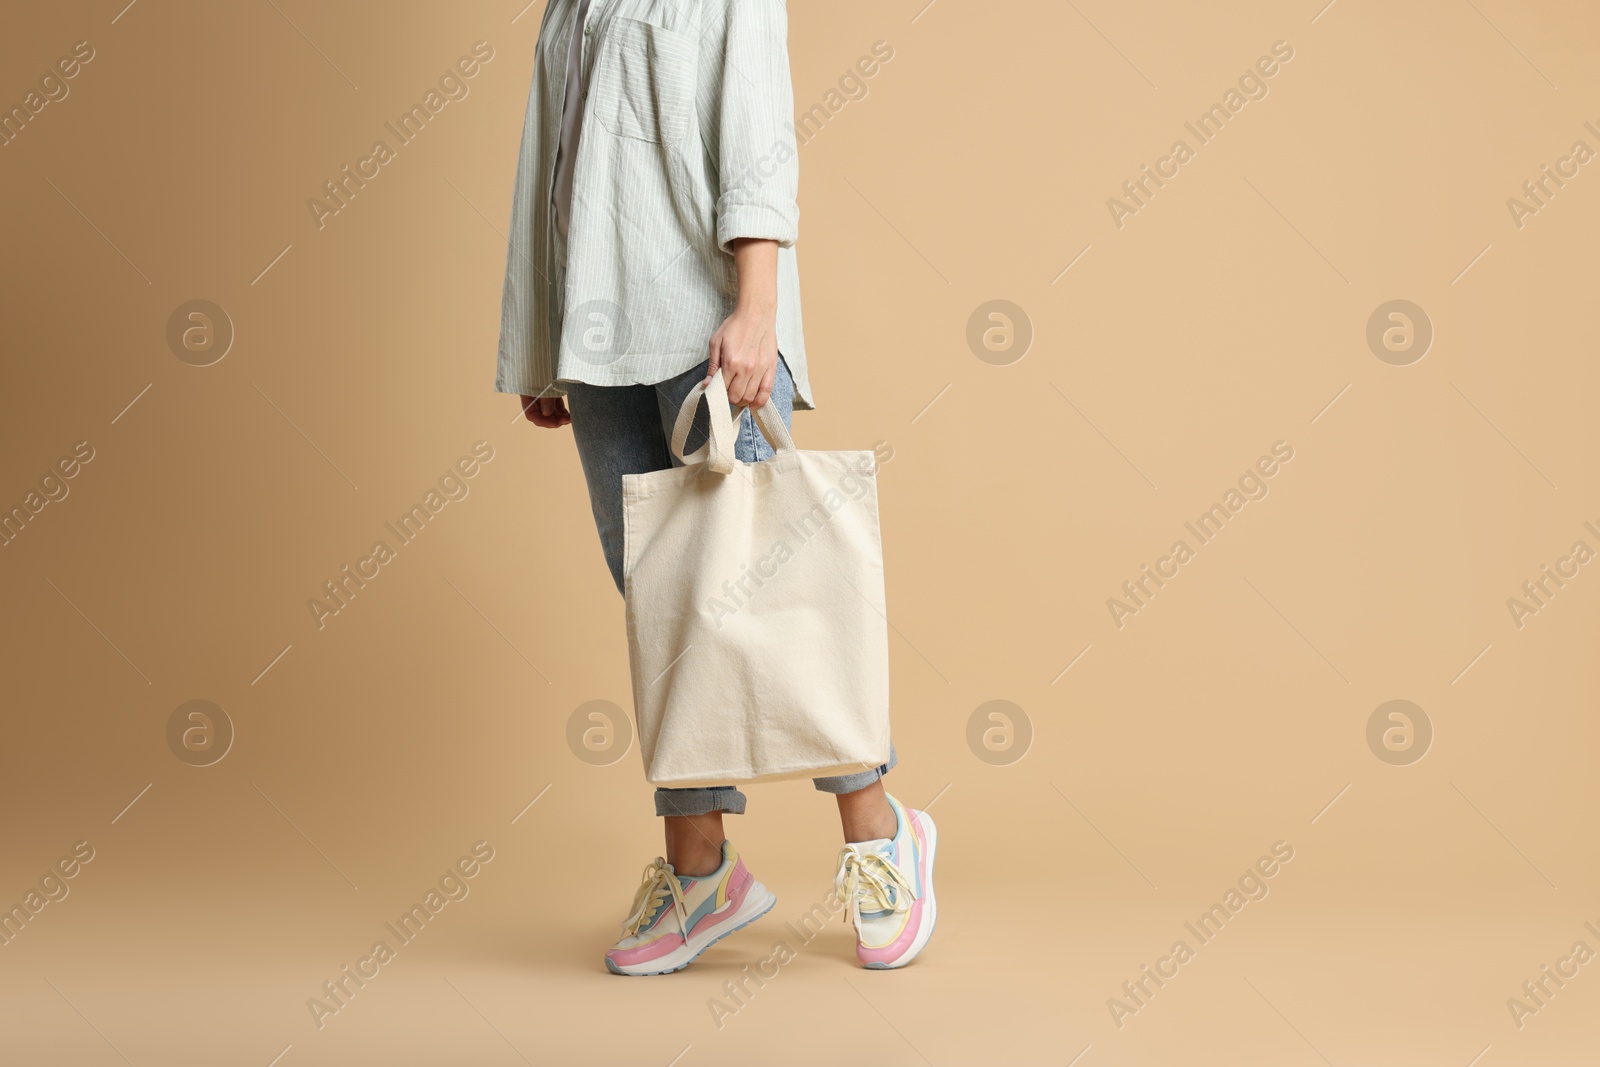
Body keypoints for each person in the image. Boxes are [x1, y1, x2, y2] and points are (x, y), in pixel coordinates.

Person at [495, 0, 937, 974]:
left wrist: (757, 307)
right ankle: (699, 872)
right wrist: (542, 339)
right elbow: (553, 167)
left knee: (776, 597)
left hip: (706, 323)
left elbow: (756, 132)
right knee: (663, 608)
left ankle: (879, 836)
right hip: (598, 336)